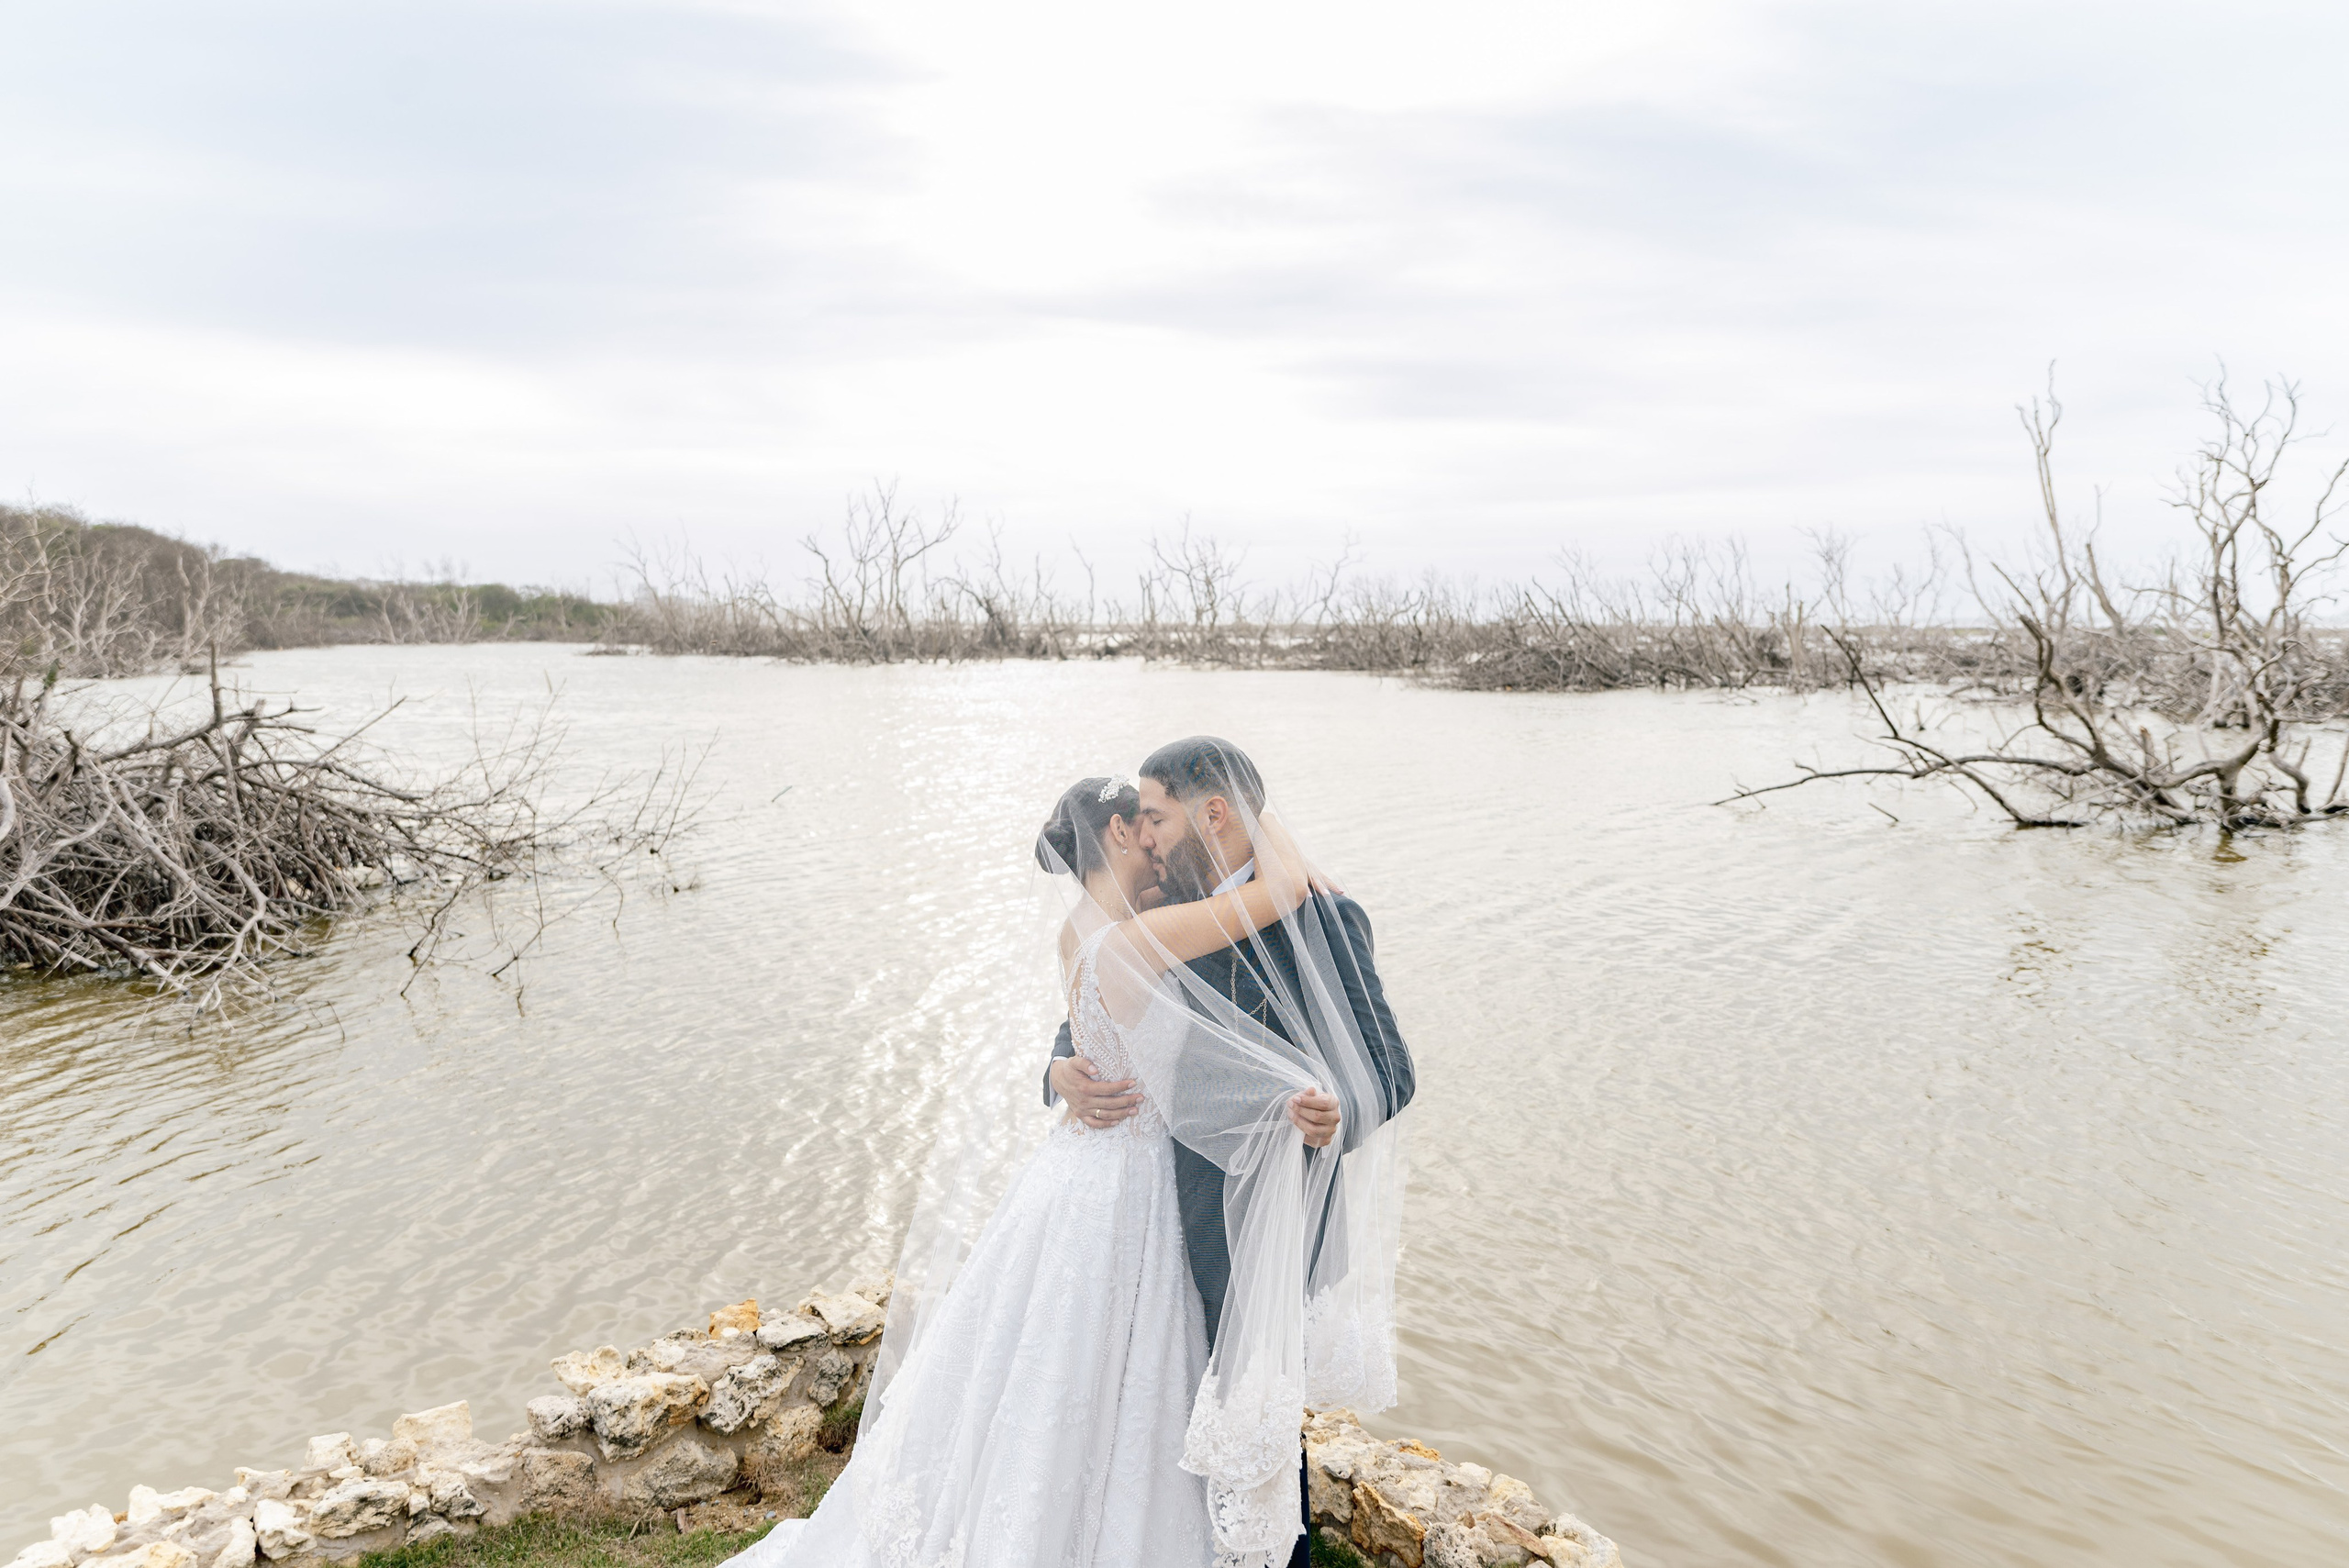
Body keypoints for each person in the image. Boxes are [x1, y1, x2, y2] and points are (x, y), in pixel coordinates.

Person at [727, 774, 1330, 1568]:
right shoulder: (1142, 937)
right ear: (1116, 832)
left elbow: (1093, 1032)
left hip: (1075, 1173)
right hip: (1131, 1182)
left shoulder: (1085, 932)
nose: (1156, 842)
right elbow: (1281, 889)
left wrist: (1060, 1072)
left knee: (1045, 1359)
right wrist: (1257, 806)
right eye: (1143, 828)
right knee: (1119, 1360)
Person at [1046, 737, 1416, 1568]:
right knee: (1169, 1409)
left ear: (1213, 813)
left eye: (1157, 819)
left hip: (1268, 1222)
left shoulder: (1326, 916)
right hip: (1161, 1213)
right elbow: (1090, 1026)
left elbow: (1390, 1068)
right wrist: (1056, 1071)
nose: (1147, 840)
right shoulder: (1156, 915)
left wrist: (1337, 1115)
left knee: (1260, 1420)